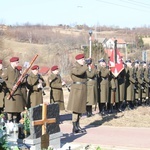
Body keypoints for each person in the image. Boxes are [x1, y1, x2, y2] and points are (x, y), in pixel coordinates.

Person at [67, 53, 88, 134]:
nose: (83, 61)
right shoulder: (74, 67)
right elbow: (79, 73)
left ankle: (78, 125)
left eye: (83, 59)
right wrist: (86, 66)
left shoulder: (82, 67)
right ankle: (75, 126)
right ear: (77, 60)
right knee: (76, 109)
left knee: (80, 109)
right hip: (76, 90)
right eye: (82, 59)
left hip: (82, 89)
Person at [1, 57, 25, 123]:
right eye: (16, 62)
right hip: (10, 93)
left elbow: (20, 80)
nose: (17, 63)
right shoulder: (7, 70)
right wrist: (11, 86)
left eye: (18, 62)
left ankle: (15, 127)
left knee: (16, 112)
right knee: (10, 111)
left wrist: (22, 79)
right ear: (12, 62)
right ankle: (9, 126)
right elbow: (3, 81)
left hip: (17, 93)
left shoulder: (17, 70)